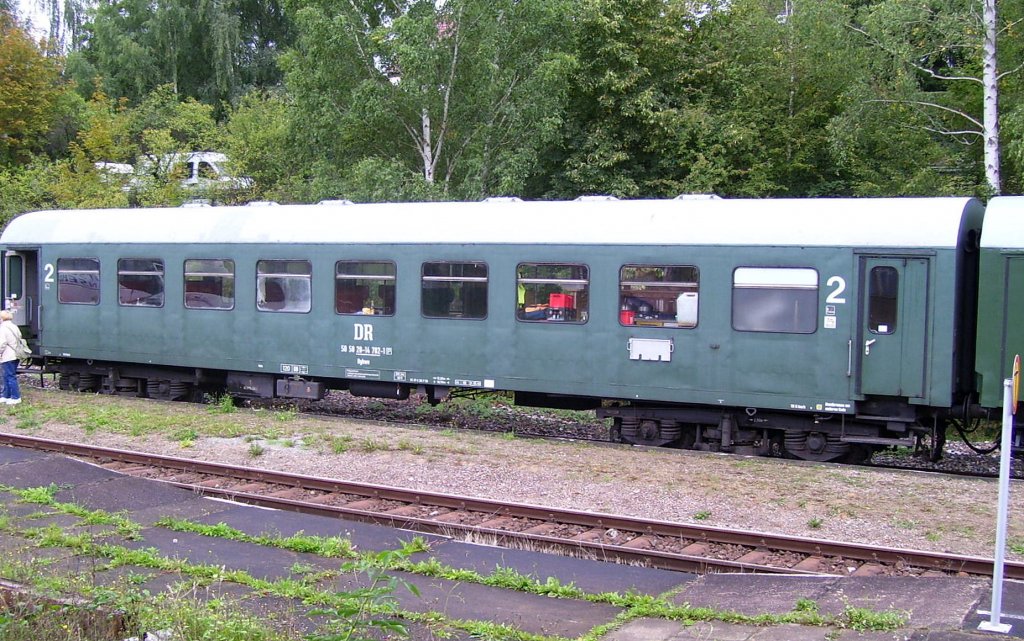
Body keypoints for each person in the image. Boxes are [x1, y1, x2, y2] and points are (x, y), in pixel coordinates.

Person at [0, 310, 23, 405]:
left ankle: (15, 397)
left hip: (7, 355)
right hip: (16, 354)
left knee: (9, 376)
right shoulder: (15, 326)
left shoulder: (3, 328)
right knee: (8, 375)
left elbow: (2, 343)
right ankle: (6, 396)